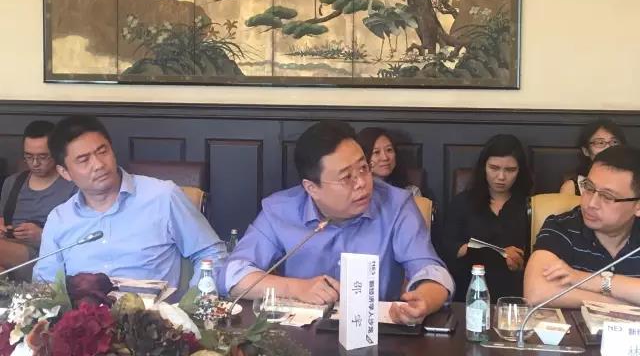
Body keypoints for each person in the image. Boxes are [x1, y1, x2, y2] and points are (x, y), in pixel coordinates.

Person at [222, 121, 453, 325]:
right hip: (299, 340)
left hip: (375, 336)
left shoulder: (396, 205)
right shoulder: (280, 211)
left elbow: (432, 272)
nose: (362, 183)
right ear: (312, 188)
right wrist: (297, 288)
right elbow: (233, 275)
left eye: (364, 168)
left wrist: (425, 300)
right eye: (346, 177)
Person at [32, 115, 227, 290]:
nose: (98, 165)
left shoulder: (162, 196)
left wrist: (193, 305)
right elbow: (45, 285)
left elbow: (211, 252)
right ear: (64, 172)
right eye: (84, 160)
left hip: (155, 316)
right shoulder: (59, 219)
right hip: (85, 317)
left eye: (102, 151)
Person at [524, 146, 640, 308]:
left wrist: (583, 279)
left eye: (607, 196)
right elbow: (536, 292)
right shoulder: (562, 227)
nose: (591, 203)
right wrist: (625, 303)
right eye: (589, 188)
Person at [443, 134, 532, 301]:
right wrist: (495, 252)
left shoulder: (531, 206)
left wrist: (521, 263)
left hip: (514, 293)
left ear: (520, 171)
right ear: (483, 167)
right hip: (468, 288)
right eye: (494, 168)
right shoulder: (463, 202)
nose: (501, 177)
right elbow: (448, 247)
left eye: (510, 170)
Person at [0, 121, 76, 277]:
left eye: (43, 156)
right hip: (9, 248)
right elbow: (2, 220)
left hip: (47, 255)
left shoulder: (72, 185)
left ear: (56, 153)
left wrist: (42, 235)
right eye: (29, 156)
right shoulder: (13, 182)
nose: (35, 163)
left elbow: (80, 237)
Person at [560, 118, 626, 195]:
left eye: (614, 142)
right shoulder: (573, 187)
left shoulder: (633, 180)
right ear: (586, 151)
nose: (609, 148)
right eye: (600, 143)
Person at [356, 127, 426, 198]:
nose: (385, 158)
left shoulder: (410, 192)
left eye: (389, 150)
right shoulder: (355, 193)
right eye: (376, 152)